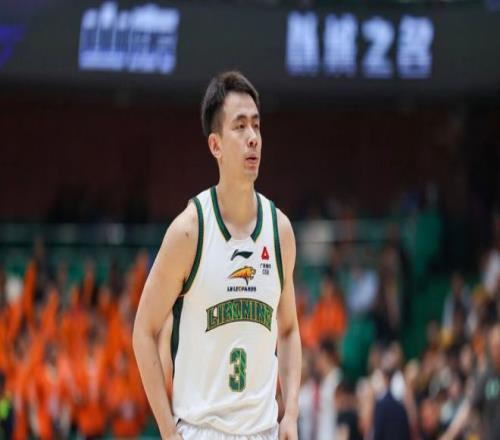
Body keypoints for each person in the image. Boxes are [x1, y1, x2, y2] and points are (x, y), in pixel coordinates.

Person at [133, 71, 302, 440]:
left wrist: (291, 413)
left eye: (256, 125)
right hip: (201, 430)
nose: (253, 137)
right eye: (240, 126)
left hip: (264, 432)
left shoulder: (280, 232)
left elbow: (289, 330)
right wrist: (167, 429)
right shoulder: (189, 232)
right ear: (216, 145)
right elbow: (143, 331)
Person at [440, 323, 500, 440]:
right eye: (494, 346)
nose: (497, 350)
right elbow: (468, 407)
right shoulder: (487, 377)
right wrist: (449, 435)